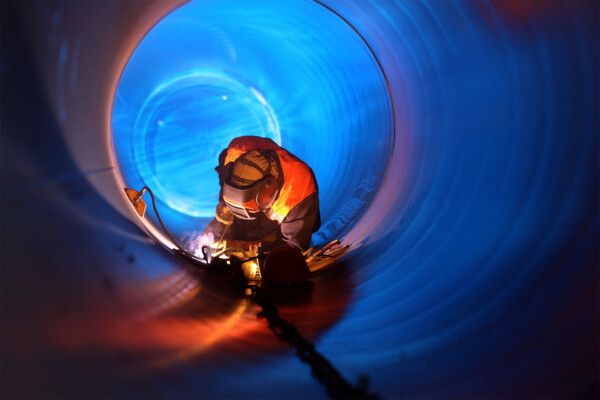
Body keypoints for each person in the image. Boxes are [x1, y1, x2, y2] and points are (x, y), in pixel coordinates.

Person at [203, 136, 320, 251]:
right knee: (230, 220)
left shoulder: (300, 190)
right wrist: (220, 221)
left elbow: (292, 249)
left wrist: (242, 247)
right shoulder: (233, 154)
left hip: (290, 221)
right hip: (259, 202)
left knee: (269, 240)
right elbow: (225, 193)